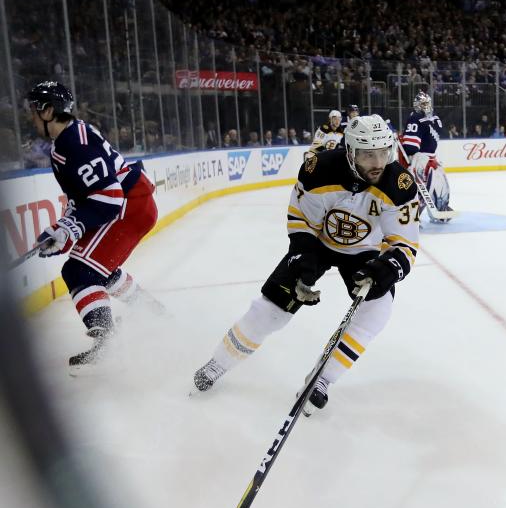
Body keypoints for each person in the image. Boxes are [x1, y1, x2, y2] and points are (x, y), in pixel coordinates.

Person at [192, 115, 420, 413]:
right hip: (317, 244)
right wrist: (302, 255)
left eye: (383, 152)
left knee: (378, 310)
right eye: (368, 154)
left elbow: (404, 243)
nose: (378, 162)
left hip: (364, 252)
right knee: (271, 308)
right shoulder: (319, 169)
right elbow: (300, 218)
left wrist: (386, 269)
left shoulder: (399, 184)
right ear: (351, 152)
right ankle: (218, 363)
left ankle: (321, 379)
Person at [26, 81, 163, 369]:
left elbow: (109, 198)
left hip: (130, 206)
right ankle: (152, 311)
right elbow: (83, 196)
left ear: (48, 111)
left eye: (34, 110)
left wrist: (70, 229)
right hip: (132, 203)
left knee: (80, 270)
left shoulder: (74, 143)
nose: (31, 117)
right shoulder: (67, 140)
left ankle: (108, 343)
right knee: (100, 267)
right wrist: (64, 227)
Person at [398, 91, 453, 221]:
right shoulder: (415, 118)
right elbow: (411, 147)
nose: (426, 106)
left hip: (432, 159)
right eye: (423, 104)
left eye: (427, 103)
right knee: (422, 189)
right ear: (417, 105)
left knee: (442, 186)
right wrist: (414, 161)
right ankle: (412, 216)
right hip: (420, 158)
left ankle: (441, 210)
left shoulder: (434, 118)